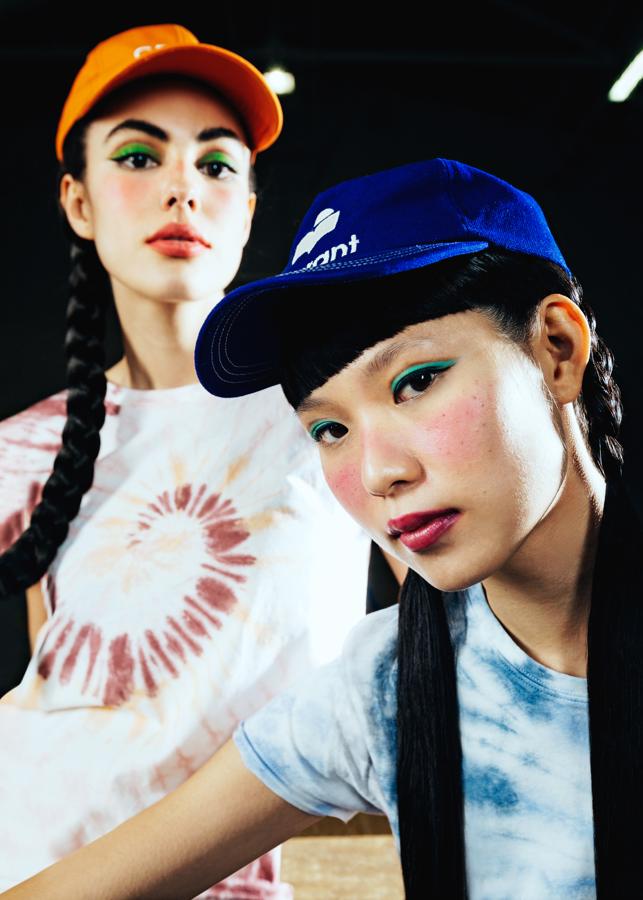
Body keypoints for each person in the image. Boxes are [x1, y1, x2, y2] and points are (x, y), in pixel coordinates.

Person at [3, 158, 637, 900]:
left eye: (416, 382)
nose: (378, 471)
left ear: (556, 347)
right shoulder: (381, 690)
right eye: (330, 430)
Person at [0, 24, 372, 896]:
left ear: (247, 208)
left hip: (263, 872)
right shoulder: (24, 448)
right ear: (78, 202)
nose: (181, 188)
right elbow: (62, 683)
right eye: (138, 157)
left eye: (215, 164)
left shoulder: (337, 408)